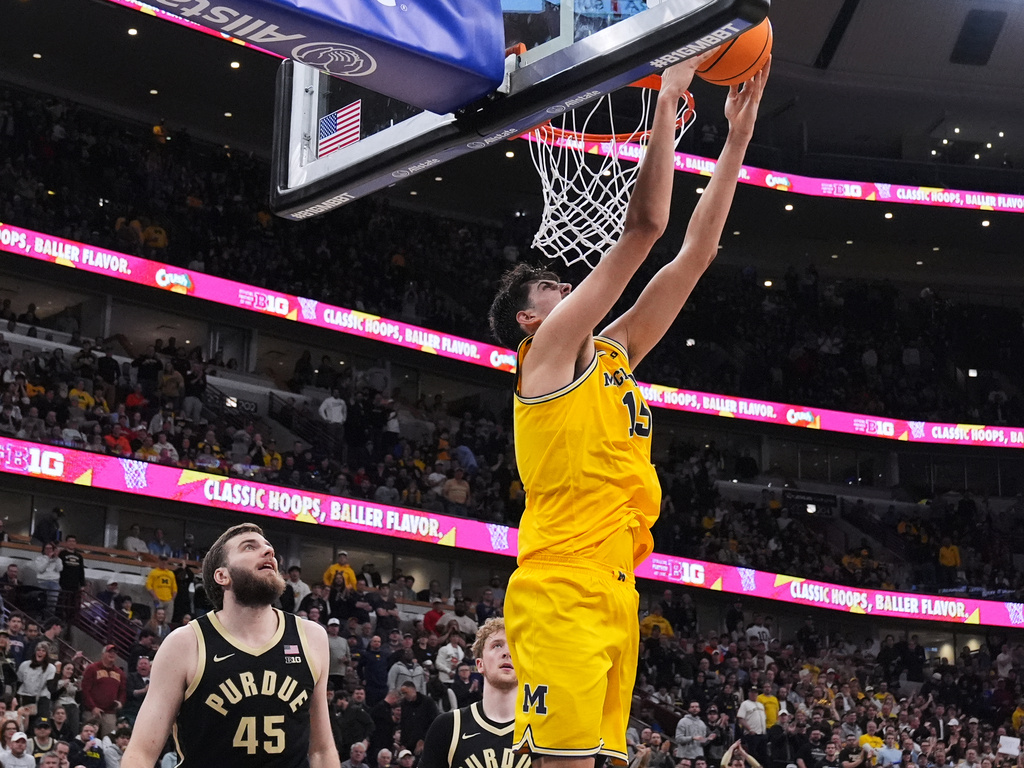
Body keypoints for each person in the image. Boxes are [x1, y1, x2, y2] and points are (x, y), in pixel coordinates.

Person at [489, 54, 770, 765]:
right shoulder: (546, 357)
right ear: (529, 322)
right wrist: (667, 101)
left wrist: (735, 141)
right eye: (551, 288)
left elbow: (694, 254)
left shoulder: (610, 354)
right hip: (560, 591)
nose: (565, 289)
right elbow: (644, 227)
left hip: (617, 590)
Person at [120, 522, 338, 768]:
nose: (269, 552)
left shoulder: (311, 637)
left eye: (269, 548)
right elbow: (140, 753)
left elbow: (321, 749)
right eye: (249, 547)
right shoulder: (185, 643)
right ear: (222, 575)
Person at [420, 618, 519, 768]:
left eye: (515, 646)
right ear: (480, 664)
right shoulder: (448, 726)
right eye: (497, 645)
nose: (507, 652)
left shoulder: (543, 729)